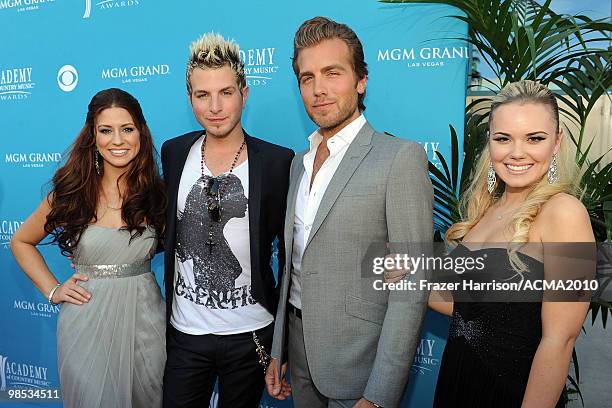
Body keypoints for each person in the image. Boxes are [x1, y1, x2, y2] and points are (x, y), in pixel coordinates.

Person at [265, 16, 433, 408]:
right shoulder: (298, 163)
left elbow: (411, 287)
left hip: (361, 368)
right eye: (307, 78)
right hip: (299, 353)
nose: (318, 89)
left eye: (332, 73)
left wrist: (380, 394)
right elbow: (292, 268)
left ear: (361, 80)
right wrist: (279, 349)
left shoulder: (399, 159)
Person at [428, 80, 594, 407]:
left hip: (514, 393)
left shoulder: (565, 213)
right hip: (458, 382)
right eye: (503, 138)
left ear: (557, 142)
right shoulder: (486, 211)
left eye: (535, 138)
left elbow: (560, 340)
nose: (517, 153)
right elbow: (467, 309)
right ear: (489, 142)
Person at [10, 88, 167, 408]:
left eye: (127, 129)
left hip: (146, 322)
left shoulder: (158, 194)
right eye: (106, 130)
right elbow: (21, 241)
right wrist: (53, 290)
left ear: (141, 132)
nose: (118, 140)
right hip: (86, 323)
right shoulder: (73, 193)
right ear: (93, 137)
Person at [160, 33, 293, 408]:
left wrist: (281, 343)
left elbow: (288, 261)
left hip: (251, 333)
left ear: (244, 94)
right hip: (186, 333)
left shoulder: (277, 162)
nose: (215, 106)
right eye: (203, 95)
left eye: (226, 92)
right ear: (190, 99)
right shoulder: (174, 153)